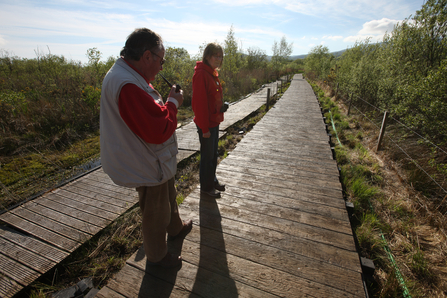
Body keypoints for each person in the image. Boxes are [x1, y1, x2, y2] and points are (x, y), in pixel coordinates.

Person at [100, 28, 192, 268]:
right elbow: (157, 130)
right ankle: (157, 257)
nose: (162, 67)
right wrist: (173, 102)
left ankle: (175, 229)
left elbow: (149, 116)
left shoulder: (127, 75)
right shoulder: (127, 84)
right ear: (147, 56)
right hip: (147, 161)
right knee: (155, 212)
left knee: (168, 196)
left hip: (152, 159)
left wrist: (167, 102)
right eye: (161, 61)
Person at [192, 43, 227, 198]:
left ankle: (211, 180)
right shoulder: (201, 74)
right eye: (215, 55)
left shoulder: (211, 73)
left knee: (213, 155)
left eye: (220, 56)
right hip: (206, 124)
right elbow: (199, 104)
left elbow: (212, 98)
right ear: (207, 56)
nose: (218, 59)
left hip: (214, 121)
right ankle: (206, 189)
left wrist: (221, 107)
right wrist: (204, 128)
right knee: (207, 157)